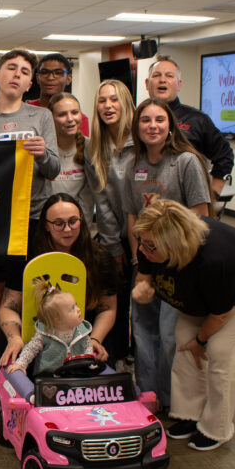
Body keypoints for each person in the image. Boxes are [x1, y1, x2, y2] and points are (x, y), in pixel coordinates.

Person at [131, 200, 235, 451]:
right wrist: (144, 284)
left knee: (221, 350)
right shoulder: (151, 239)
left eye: (150, 246)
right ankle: (189, 414)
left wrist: (201, 341)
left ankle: (218, 428)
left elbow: (221, 315)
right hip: (205, 292)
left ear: (174, 245)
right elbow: (145, 271)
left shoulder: (217, 260)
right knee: (183, 337)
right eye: (141, 241)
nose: (143, 249)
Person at [0, 48, 60, 403]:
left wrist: (41, 154)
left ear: (30, 82)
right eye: (11, 68)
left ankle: (34, 367)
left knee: (35, 299)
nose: (17, 75)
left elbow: (53, 169)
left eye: (24, 71)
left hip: (35, 220)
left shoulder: (41, 116)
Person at [124, 98, 211, 411]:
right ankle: (149, 398)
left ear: (170, 126)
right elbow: (133, 217)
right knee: (144, 336)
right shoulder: (133, 164)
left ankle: (177, 401)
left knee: (170, 336)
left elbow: (201, 216)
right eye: (145, 120)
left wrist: (179, 260)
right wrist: (140, 261)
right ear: (137, 126)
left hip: (178, 265)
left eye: (160, 120)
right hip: (145, 265)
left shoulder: (185, 162)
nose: (153, 126)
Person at [0, 193, 120, 369]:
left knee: (103, 358)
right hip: (38, 332)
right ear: (46, 226)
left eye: (73, 221)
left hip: (83, 331)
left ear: (82, 221)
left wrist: (94, 340)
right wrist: (14, 338)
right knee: (8, 348)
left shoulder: (99, 258)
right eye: (58, 223)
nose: (67, 229)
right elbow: (8, 307)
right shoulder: (27, 257)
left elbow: (108, 308)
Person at [85, 79, 138, 365]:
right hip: (116, 236)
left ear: (126, 104)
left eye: (114, 99)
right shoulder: (95, 147)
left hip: (147, 238)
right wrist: (113, 246)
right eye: (102, 101)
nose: (108, 106)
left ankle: (143, 359)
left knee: (144, 303)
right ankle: (117, 357)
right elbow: (101, 201)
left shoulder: (140, 141)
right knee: (118, 298)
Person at [145, 55, 234, 194]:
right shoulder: (138, 120)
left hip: (187, 202)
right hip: (147, 198)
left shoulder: (198, 120)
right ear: (147, 84)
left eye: (169, 76)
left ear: (179, 84)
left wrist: (213, 193)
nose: (162, 79)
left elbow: (224, 156)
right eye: (156, 75)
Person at [8, 277, 96, 377]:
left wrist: (90, 363)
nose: (78, 310)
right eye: (72, 308)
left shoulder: (81, 331)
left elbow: (87, 346)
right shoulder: (45, 335)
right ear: (57, 319)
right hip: (48, 378)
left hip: (75, 375)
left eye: (76, 305)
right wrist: (21, 364)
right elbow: (30, 349)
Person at [46, 93, 94, 230]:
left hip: (79, 227)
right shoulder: (42, 150)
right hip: (48, 227)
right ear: (51, 118)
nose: (70, 119)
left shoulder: (90, 148)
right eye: (62, 114)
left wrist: (83, 231)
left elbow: (89, 198)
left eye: (75, 112)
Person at [29, 53, 89, 136]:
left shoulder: (77, 119)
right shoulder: (25, 111)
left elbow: (80, 147)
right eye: (45, 72)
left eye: (58, 73)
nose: (50, 77)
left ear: (68, 78)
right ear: (37, 78)